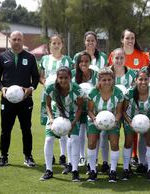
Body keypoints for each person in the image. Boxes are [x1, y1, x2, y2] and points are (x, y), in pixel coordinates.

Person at [0, 31, 40, 168]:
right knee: (5, 129)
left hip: (25, 100)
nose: (17, 41)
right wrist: (1, 88)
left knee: (26, 129)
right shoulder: (2, 57)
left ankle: (28, 156)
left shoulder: (30, 58)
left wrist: (30, 89)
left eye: (19, 39)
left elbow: (36, 78)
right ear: (10, 41)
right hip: (7, 101)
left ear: (23, 40)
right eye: (14, 39)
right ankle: (3, 157)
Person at [40, 66, 84, 181]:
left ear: (70, 77)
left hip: (72, 116)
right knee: (49, 139)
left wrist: (74, 122)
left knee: (74, 139)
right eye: (61, 78)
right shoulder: (50, 88)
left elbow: (80, 108)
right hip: (55, 116)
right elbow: (48, 105)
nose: (63, 80)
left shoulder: (77, 89)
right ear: (57, 78)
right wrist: (51, 119)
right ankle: (48, 170)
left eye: (66, 78)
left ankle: (75, 171)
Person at [39, 34, 74, 167]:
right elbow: (41, 77)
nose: (56, 45)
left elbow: (71, 77)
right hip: (48, 96)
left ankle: (63, 155)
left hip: (64, 97)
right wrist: (47, 83)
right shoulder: (44, 59)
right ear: (50, 44)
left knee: (63, 123)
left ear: (62, 45)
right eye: (54, 43)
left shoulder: (67, 60)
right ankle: (51, 155)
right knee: (51, 124)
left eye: (58, 43)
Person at [122, 69, 150, 181]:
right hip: (130, 119)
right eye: (140, 79)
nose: (143, 82)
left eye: (145, 79)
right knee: (128, 142)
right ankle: (126, 168)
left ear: (149, 80)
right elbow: (123, 110)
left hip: (148, 120)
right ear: (136, 80)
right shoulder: (129, 93)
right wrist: (130, 122)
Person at [86, 68, 124, 182]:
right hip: (95, 119)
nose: (107, 82)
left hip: (113, 120)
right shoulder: (93, 92)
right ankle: (92, 170)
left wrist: (115, 122)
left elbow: (119, 112)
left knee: (114, 142)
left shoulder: (118, 93)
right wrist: (94, 119)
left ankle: (112, 171)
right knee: (92, 142)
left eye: (109, 79)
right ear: (99, 81)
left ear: (113, 80)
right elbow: (90, 110)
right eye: (104, 80)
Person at [71, 52, 98, 168]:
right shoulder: (72, 74)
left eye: (86, 61)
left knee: (92, 133)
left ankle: (93, 158)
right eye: (81, 61)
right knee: (80, 132)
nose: (84, 63)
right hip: (77, 107)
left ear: (90, 62)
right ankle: (81, 156)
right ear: (77, 63)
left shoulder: (96, 75)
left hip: (93, 107)